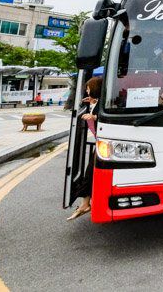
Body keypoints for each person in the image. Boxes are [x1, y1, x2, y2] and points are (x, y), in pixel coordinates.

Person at [67, 76, 102, 221]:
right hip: (99, 141)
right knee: (90, 172)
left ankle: (85, 204)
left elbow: (105, 116)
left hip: (103, 142)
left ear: (95, 88)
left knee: (89, 173)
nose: (87, 91)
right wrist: (92, 103)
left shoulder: (101, 105)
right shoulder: (95, 102)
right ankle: (85, 203)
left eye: (88, 88)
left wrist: (93, 117)